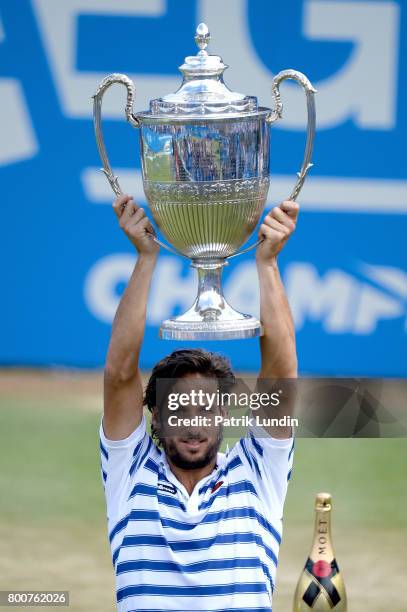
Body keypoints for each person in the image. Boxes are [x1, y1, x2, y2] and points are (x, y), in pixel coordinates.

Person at [100, 194, 299, 612]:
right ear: (154, 414)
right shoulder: (129, 470)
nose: (194, 424)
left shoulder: (258, 471)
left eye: (205, 408)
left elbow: (280, 378)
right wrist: (146, 258)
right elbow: (119, 376)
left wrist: (267, 264)